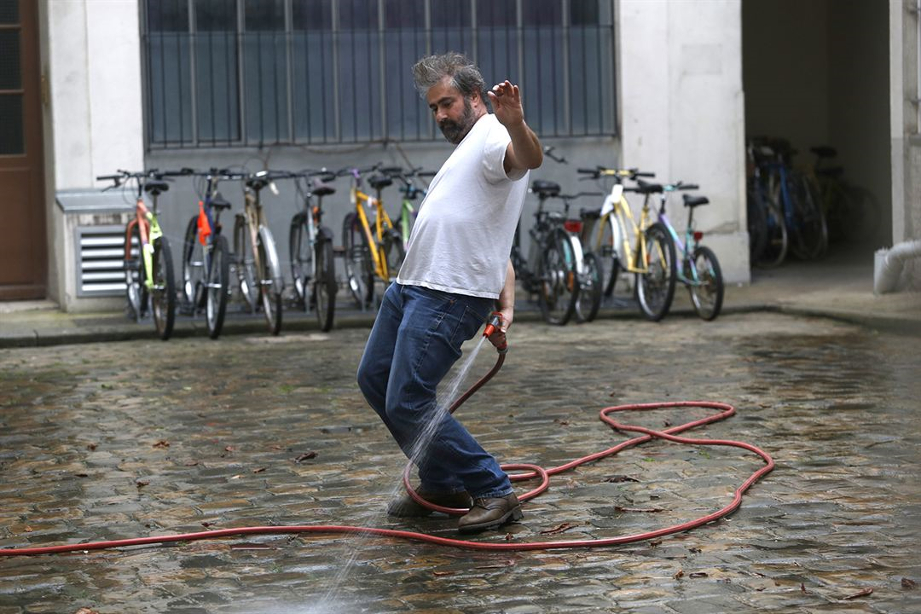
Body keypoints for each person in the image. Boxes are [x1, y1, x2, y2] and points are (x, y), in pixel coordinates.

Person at [356, 52, 543, 534]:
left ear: (475, 97)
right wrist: (507, 290)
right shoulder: (467, 147)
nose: (440, 115)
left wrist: (517, 123)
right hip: (411, 286)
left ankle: (494, 489)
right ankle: (441, 482)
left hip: (448, 295)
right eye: (434, 107)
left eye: (447, 103)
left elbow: (528, 159)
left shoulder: (494, 136)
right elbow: (484, 226)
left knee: (409, 398)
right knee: (375, 379)